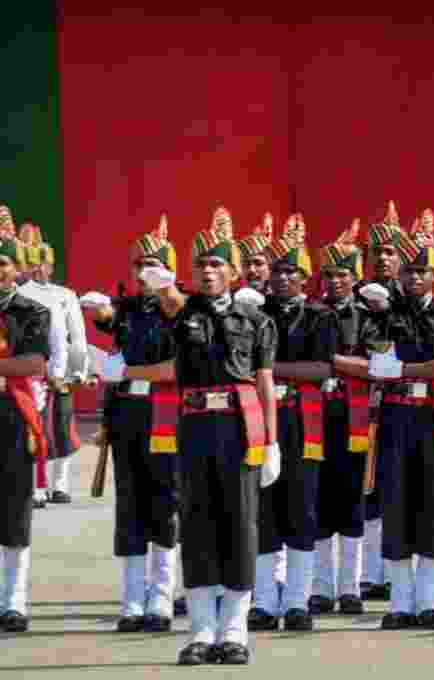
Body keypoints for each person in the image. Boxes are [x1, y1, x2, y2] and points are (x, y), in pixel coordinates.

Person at [97, 206, 279, 665]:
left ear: (234, 272)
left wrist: (272, 442)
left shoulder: (256, 320)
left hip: (240, 429)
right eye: (201, 264)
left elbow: (264, 384)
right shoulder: (182, 314)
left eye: (217, 264)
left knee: (239, 524)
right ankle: (201, 629)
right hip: (195, 428)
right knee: (197, 524)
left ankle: (234, 629)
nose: (208, 270)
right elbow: (175, 305)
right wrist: (162, 284)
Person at [357, 209, 434, 630]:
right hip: (396, 417)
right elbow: (375, 356)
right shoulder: (384, 311)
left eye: (423, 271)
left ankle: (429, 598)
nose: (415, 277)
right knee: (396, 501)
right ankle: (400, 599)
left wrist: (403, 370)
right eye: (410, 270)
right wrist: (408, 366)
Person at [79, 215, 182, 632]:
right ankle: (132, 599)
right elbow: (108, 317)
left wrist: (128, 372)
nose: (145, 272)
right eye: (140, 265)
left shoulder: (179, 311)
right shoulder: (129, 308)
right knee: (130, 504)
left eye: (154, 265)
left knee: (164, 502)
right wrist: (94, 310)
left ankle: (160, 597)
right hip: (128, 414)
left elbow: (178, 367)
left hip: (165, 412)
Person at [249, 216, 336, 633]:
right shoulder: (253, 315)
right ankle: (265, 599)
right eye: (278, 271)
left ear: (304, 278)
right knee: (264, 510)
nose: (283, 278)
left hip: (303, 421)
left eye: (292, 272)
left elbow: (321, 369)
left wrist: (268, 367)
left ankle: (298, 600)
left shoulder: (319, 318)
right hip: (261, 420)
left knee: (301, 507)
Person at [309, 219, 373, 616]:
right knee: (317, 500)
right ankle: (320, 586)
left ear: (356, 276)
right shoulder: (310, 315)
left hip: (355, 415)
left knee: (351, 500)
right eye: (329, 274)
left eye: (343, 274)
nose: (335, 281)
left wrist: (334, 363)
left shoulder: (369, 316)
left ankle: (350, 586)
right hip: (314, 416)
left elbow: (377, 366)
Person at [0, 210, 53, 633]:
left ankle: (14, 600)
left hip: (12, 413)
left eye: (2, 263)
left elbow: (35, 362)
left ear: (17, 270)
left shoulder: (32, 311)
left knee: (15, 508)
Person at [355, 201, 409, 603]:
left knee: (397, 486)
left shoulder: (411, 299)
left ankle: (394, 571)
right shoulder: (354, 298)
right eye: (379, 252)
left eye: (392, 252)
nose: (384, 259)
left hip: (404, 403)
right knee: (365, 487)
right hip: (360, 402)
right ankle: (367, 573)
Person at [17, 223, 88, 506]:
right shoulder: (20, 296)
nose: (37, 270)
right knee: (35, 430)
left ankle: (60, 485)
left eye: (42, 264)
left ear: (51, 266)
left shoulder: (65, 295)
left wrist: (78, 370)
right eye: (32, 264)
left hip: (61, 374)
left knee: (62, 429)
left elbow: (77, 336)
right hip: (31, 374)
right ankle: (37, 487)